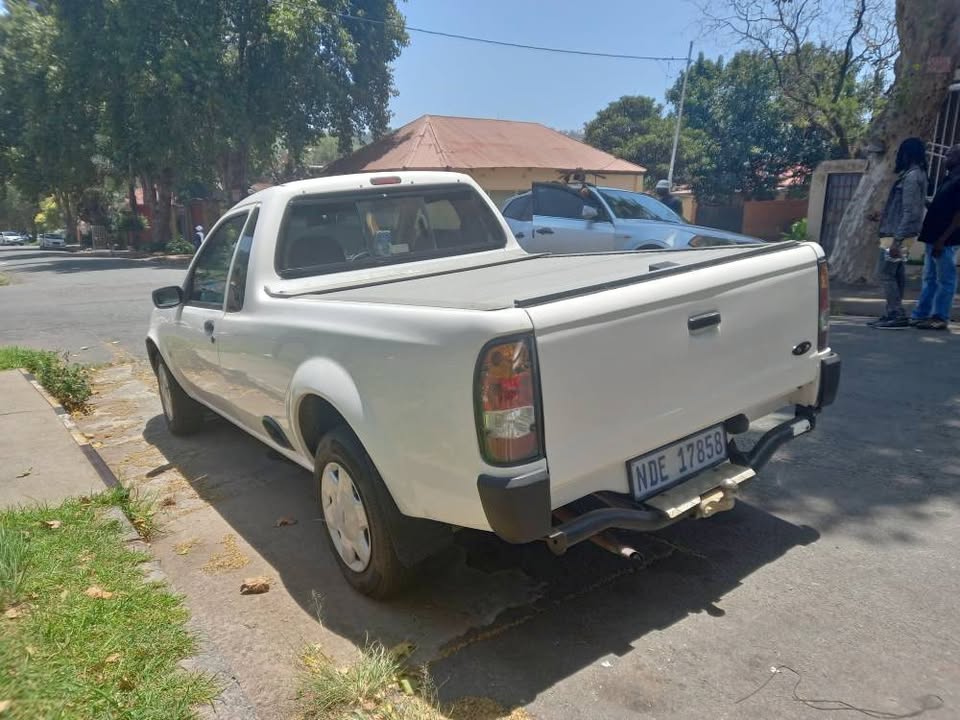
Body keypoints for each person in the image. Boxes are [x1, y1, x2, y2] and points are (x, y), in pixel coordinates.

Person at [871, 138, 928, 330]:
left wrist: (897, 240)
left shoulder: (912, 177)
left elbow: (910, 211)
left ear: (906, 154)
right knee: (896, 274)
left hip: (897, 235)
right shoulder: (916, 175)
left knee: (886, 273)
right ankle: (893, 313)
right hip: (900, 232)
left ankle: (895, 313)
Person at [910, 144, 960, 330]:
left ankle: (940, 317)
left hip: (945, 241)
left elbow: (958, 216)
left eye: (950, 155)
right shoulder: (948, 179)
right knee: (929, 278)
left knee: (946, 279)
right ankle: (921, 314)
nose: (946, 158)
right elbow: (941, 208)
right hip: (932, 238)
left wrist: (942, 239)